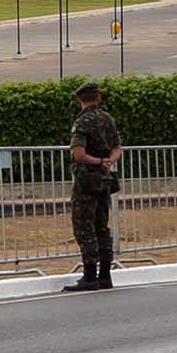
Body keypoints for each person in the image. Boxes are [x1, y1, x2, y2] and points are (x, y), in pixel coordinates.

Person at [65, 83, 123, 291]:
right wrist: (107, 161)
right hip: (105, 180)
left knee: (84, 227)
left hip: (86, 181)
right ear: (98, 98)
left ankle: (90, 276)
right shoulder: (108, 119)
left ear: (81, 100)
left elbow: (78, 154)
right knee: (101, 227)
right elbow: (117, 149)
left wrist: (97, 161)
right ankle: (105, 275)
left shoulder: (82, 122)